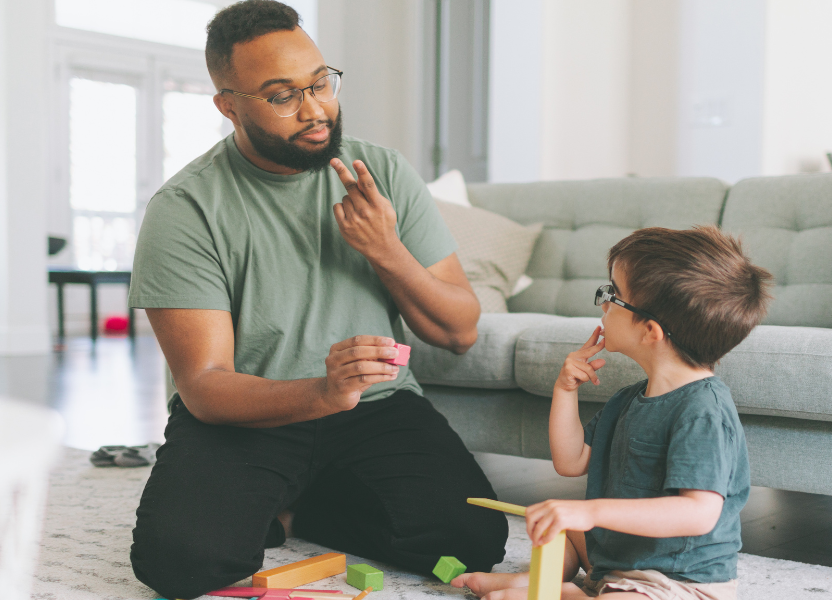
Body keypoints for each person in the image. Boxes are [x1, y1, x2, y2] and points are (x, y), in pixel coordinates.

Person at [125, 1, 507, 598]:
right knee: (182, 563)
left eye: (320, 82)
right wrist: (322, 392)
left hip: (376, 405)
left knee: (472, 540)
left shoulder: (381, 171)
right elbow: (203, 384)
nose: (315, 109)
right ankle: (279, 494)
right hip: (250, 412)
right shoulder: (186, 209)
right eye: (282, 96)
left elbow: (459, 330)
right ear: (229, 105)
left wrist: (387, 249)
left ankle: (299, 510)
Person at [453, 227, 772, 600]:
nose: (604, 305)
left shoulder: (703, 411)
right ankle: (553, 584)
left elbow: (698, 514)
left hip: (677, 581)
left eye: (613, 295)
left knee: (600, 554)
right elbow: (570, 461)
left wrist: (593, 512)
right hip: (618, 560)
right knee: (565, 527)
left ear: (650, 331)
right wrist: (565, 391)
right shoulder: (629, 399)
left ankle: (560, 593)